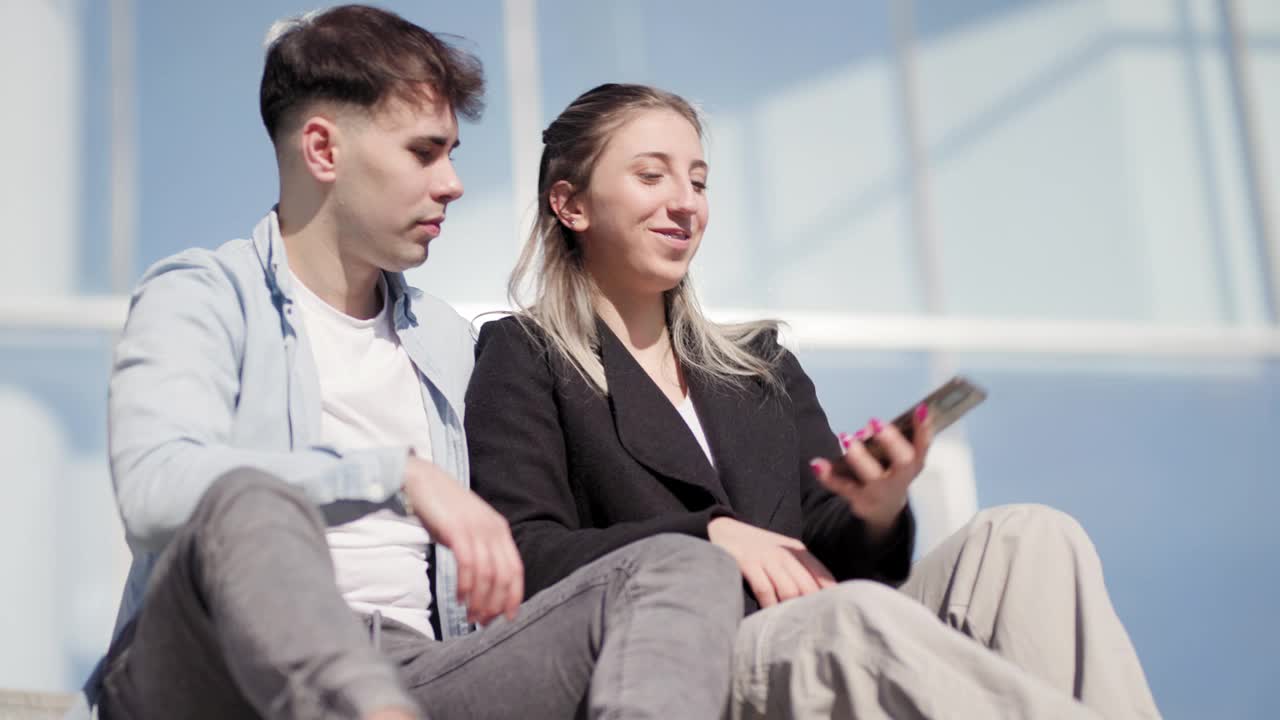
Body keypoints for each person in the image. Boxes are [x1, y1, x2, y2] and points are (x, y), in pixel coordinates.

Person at [76, 15, 741, 720]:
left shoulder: (450, 342)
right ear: (324, 149)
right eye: (425, 152)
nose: (453, 183)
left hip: (413, 674)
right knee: (248, 498)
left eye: (452, 152)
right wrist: (392, 474)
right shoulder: (203, 294)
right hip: (209, 669)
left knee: (679, 564)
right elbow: (154, 491)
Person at [465, 82, 1162, 719]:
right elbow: (523, 555)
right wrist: (707, 536)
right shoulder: (525, 359)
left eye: (698, 180)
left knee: (1028, 536)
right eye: (652, 175)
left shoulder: (761, 367)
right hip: (691, 661)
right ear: (571, 204)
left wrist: (876, 508)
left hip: (825, 637)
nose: (686, 201)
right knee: (849, 618)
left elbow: (836, 549)